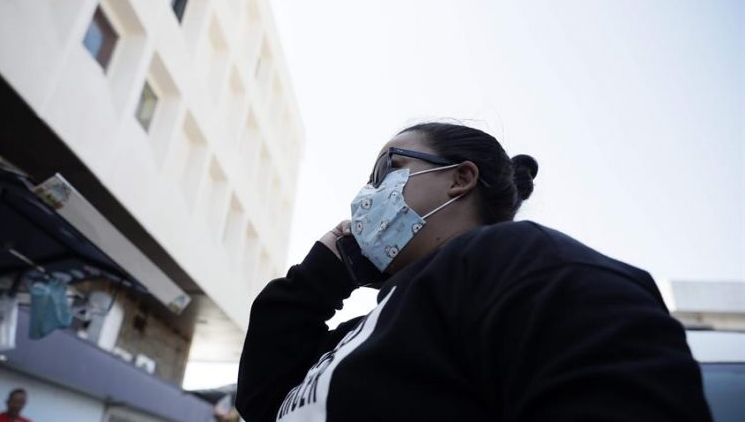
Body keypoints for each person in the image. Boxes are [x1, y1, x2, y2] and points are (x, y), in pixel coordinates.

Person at [236, 121, 712, 421]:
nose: (367, 194)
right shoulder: (366, 329)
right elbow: (262, 399)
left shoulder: (519, 264)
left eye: (388, 169)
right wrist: (325, 271)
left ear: (459, 179)